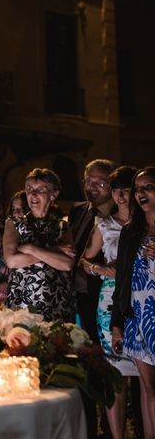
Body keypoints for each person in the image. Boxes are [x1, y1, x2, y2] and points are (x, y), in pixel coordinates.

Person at [80, 166, 139, 439]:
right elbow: (83, 260)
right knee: (115, 374)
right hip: (110, 300)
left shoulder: (146, 224)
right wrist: (101, 270)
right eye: (116, 189)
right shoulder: (104, 224)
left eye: (126, 188)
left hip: (142, 298)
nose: (121, 194)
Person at [112, 166, 155, 439]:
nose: (140, 193)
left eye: (148, 187)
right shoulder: (131, 230)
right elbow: (122, 279)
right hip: (139, 317)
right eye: (138, 188)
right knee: (149, 390)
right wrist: (118, 323)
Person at [4, 168, 75, 321]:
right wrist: (55, 250)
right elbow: (12, 261)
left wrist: (30, 249)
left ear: (53, 194)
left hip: (57, 304)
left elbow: (67, 264)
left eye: (40, 189)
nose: (33, 194)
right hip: (23, 305)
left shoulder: (63, 226)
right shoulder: (14, 223)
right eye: (29, 189)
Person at [69, 159, 116, 343]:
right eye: (89, 181)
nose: (93, 187)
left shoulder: (120, 214)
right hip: (73, 291)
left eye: (101, 183)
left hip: (102, 293)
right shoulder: (77, 209)